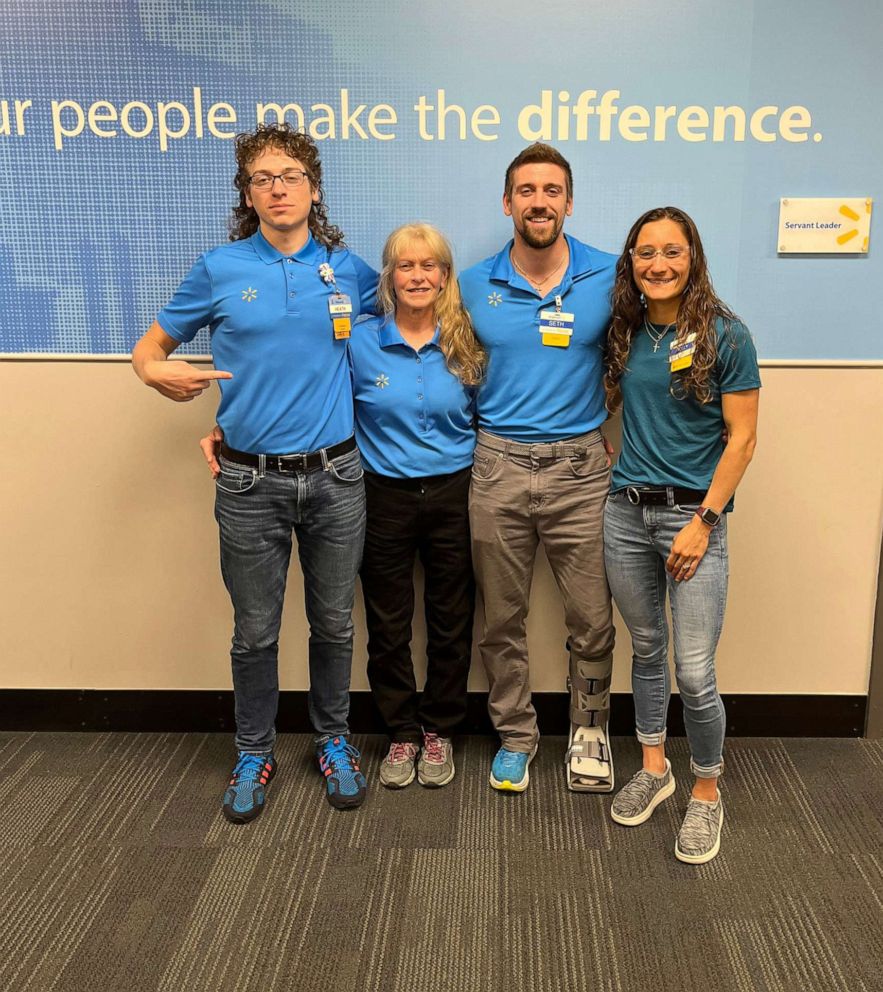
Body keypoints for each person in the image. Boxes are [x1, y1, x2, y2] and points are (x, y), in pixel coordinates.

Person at [132, 123, 378, 821]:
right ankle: (254, 750)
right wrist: (159, 376)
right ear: (247, 192)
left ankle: (333, 740)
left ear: (314, 187)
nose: (277, 188)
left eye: (289, 175)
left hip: (335, 478)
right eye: (261, 178)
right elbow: (146, 351)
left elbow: (399, 347)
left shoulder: (348, 269)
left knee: (332, 625)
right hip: (247, 484)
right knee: (255, 632)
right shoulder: (219, 268)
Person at [603, 206, 760, 864]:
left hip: (692, 518)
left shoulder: (725, 334)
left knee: (693, 675)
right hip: (623, 513)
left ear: (691, 256)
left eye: (671, 251)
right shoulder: (624, 331)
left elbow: (743, 440)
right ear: (630, 262)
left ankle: (704, 791)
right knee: (644, 649)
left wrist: (703, 521)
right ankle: (653, 767)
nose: (658, 264)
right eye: (645, 253)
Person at [459, 143, 617, 794]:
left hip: (581, 470)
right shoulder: (470, 284)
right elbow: (446, 369)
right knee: (499, 618)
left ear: (569, 202)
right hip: (495, 465)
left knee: (592, 618)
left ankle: (588, 730)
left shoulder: (610, 275)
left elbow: (635, 355)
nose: (539, 202)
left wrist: (609, 430)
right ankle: (516, 736)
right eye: (526, 190)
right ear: (507, 203)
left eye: (551, 190)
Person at [350, 223, 485, 788]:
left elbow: (496, 413)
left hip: (456, 493)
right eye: (405, 266)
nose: (418, 276)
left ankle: (439, 731)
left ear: (446, 276)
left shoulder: (468, 342)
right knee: (388, 623)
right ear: (388, 276)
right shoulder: (357, 341)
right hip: (384, 496)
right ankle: (402, 732)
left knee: (452, 621)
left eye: (430, 265)